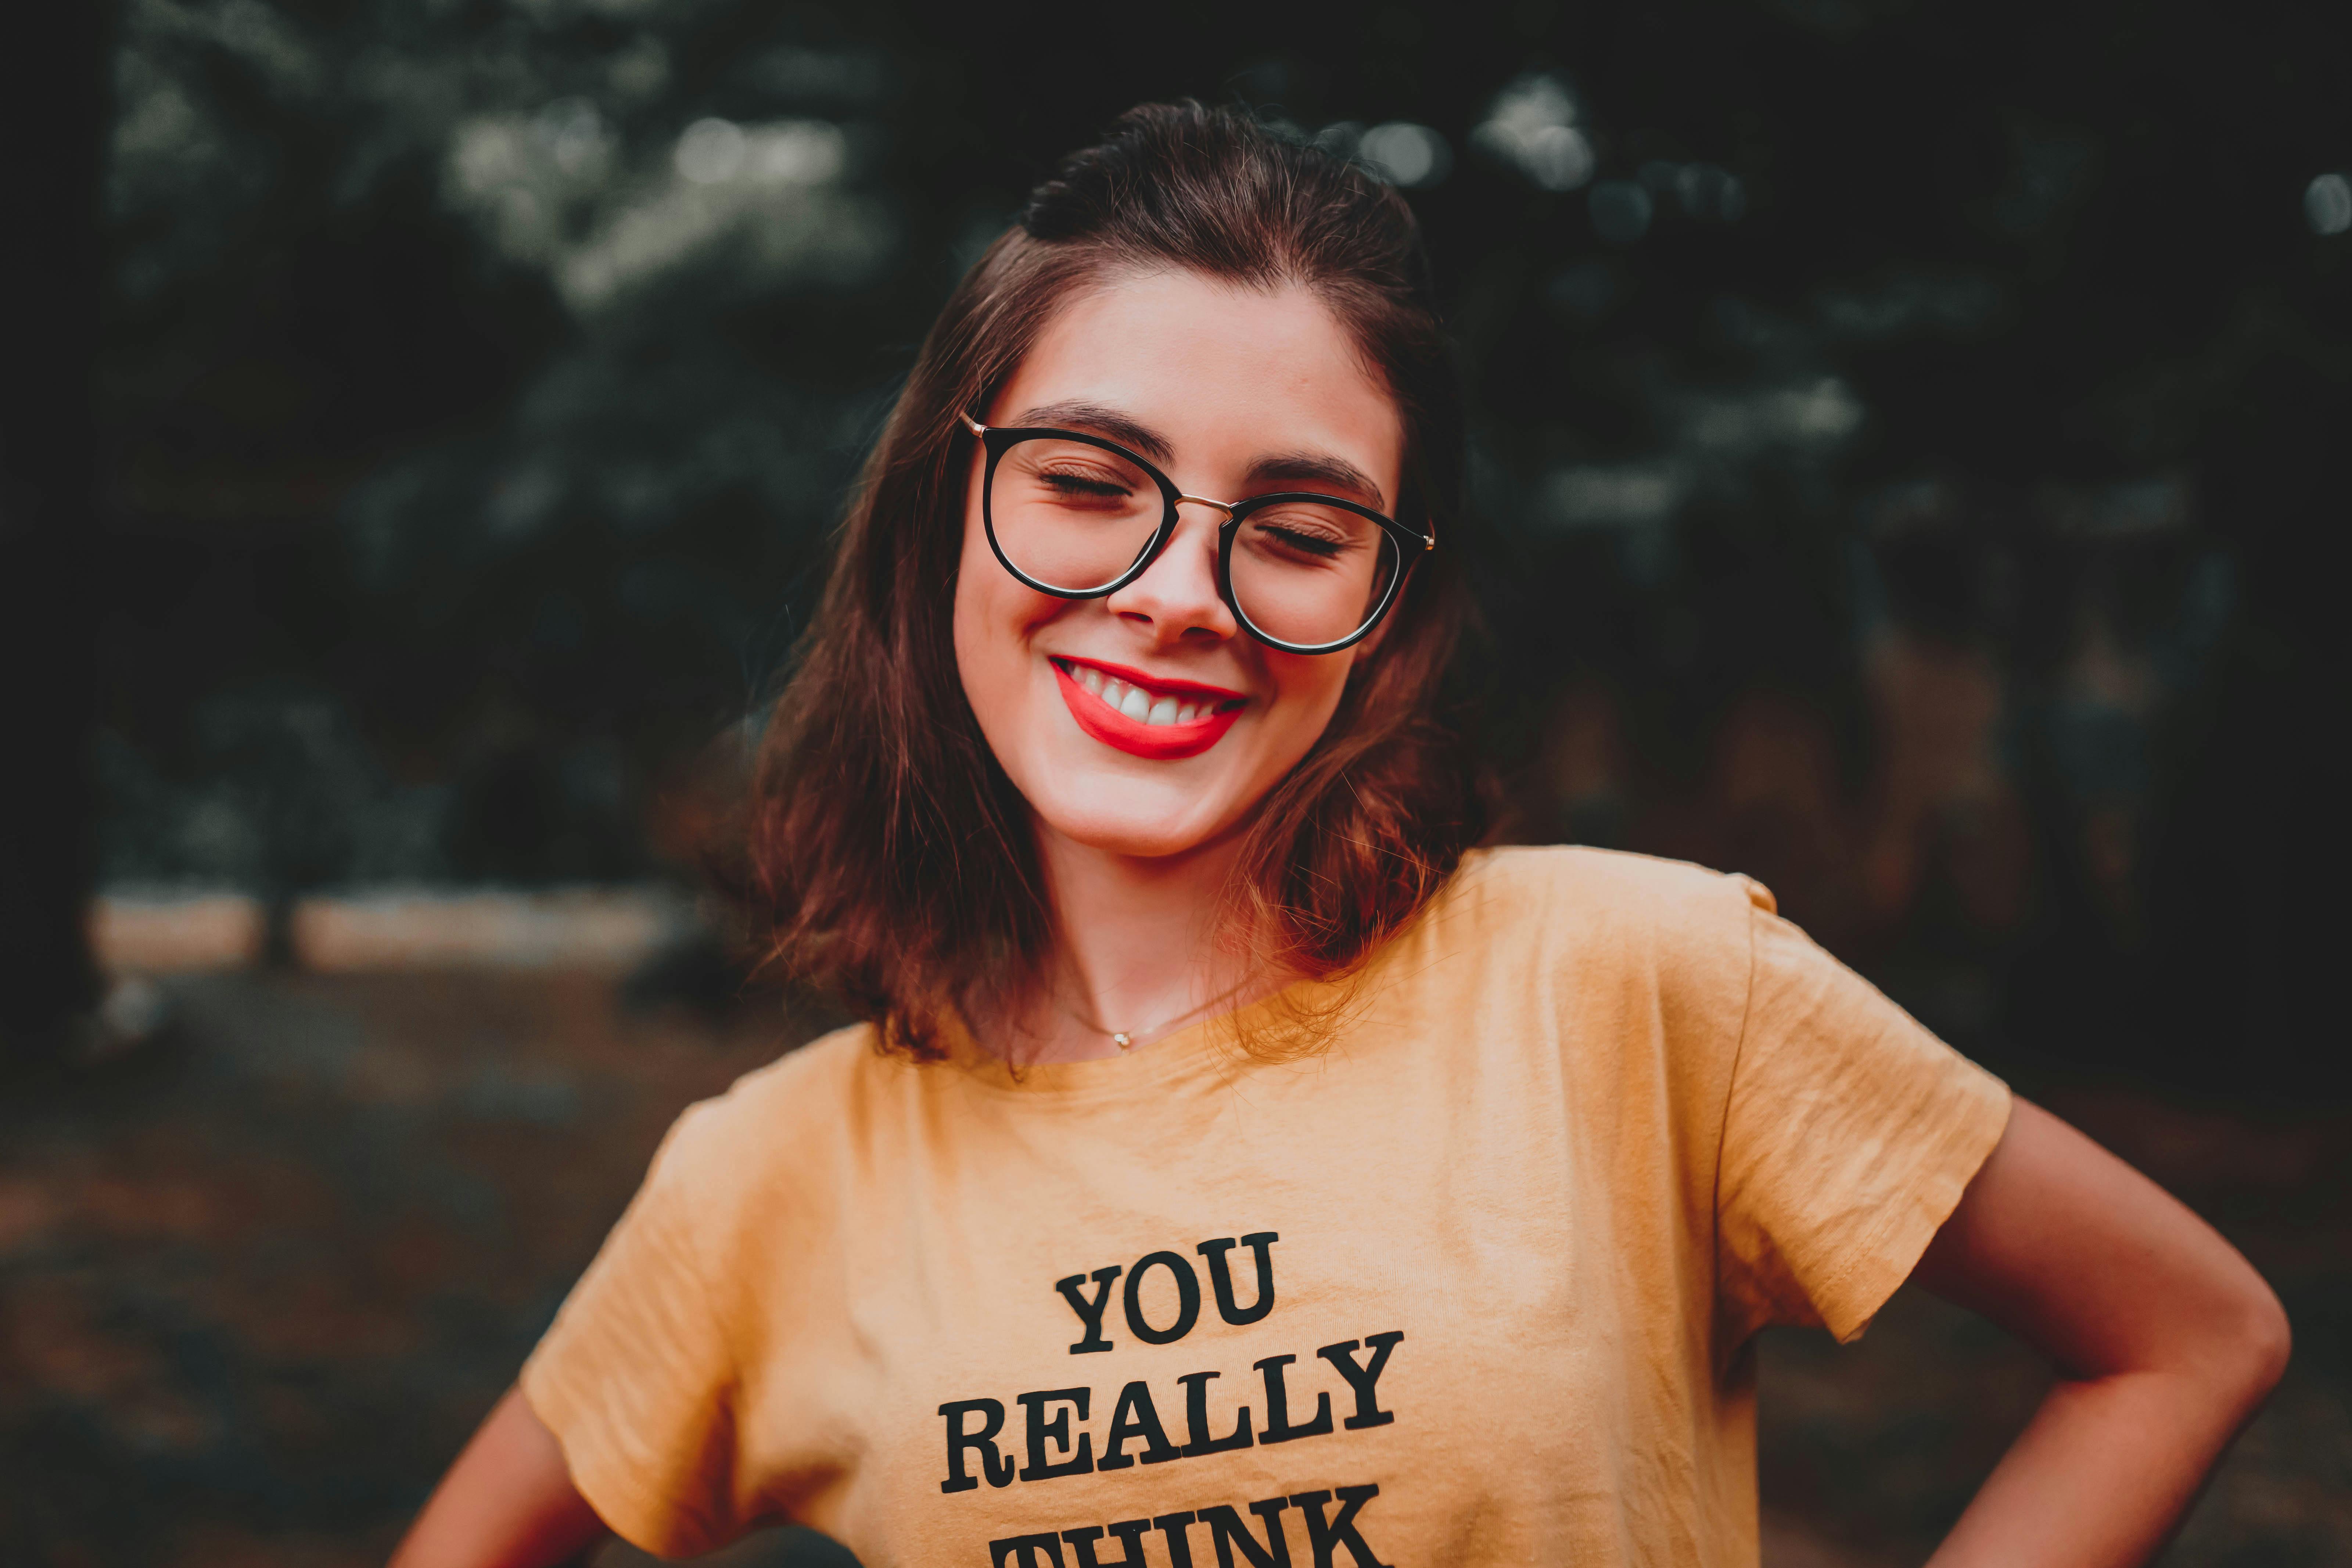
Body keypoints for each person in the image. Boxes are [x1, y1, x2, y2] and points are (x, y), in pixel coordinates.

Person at [391, 103, 2287, 1568]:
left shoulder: (1634, 984)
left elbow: (2185, 1337)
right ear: (937, 516)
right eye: (1084, 482)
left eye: (1298, 529)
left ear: (1389, 607)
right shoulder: (769, 1178)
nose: (1180, 592)